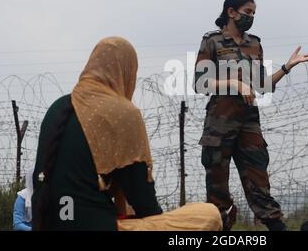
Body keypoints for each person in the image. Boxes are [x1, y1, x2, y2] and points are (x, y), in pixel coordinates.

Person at [32, 37, 222, 231]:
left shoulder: (58, 107)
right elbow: (144, 202)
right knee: (207, 214)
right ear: (126, 70)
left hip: (48, 223)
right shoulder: (122, 112)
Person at [194, 0, 308, 231]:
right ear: (231, 12)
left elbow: (262, 85)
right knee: (218, 193)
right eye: (247, 12)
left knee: (259, 184)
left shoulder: (254, 44)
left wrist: (286, 67)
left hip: (249, 123)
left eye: (253, 14)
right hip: (220, 124)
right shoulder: (212, 41)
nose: (251, 17)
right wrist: (235, 83)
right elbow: (200, 83)